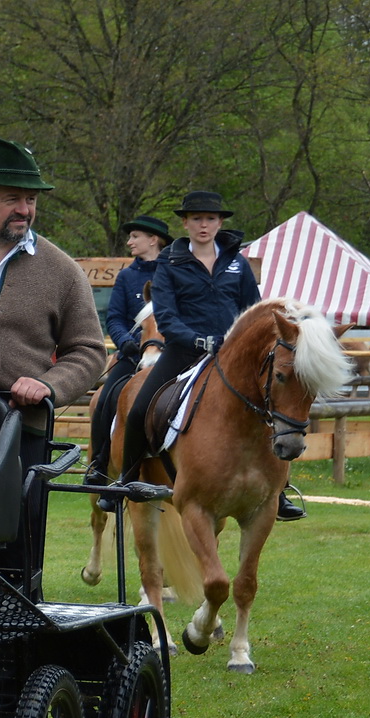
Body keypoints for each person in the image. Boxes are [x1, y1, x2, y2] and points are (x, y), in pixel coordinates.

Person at [116, 191, 301, 519]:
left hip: (232, 356)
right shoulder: (168, 263)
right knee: (139, 407)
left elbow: (252, 309)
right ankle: (125, 481)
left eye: (211, 218)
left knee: (274, 403)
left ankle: (280, 491)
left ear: (220, 223)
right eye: (197, 218)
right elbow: (167, 316)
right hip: (183, 351)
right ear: (185, 222)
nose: (204, 224)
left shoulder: (236, 263)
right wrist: (199, 340)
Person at [0, 138, 105, 440]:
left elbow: (89, 350)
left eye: (31, 199)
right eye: (12, 199)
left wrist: (50, 385)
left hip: (17, 427)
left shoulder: (62, 270)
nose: (24, 210)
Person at [86, 214, 173, 484]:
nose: (129, 241)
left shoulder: (175, 273)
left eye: (135, 236)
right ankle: (100, 464)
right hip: (134, 354)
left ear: (153, 240)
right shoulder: (126, 276)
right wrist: (126, 342)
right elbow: (114, 318)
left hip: (171, 354)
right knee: (104, 399)